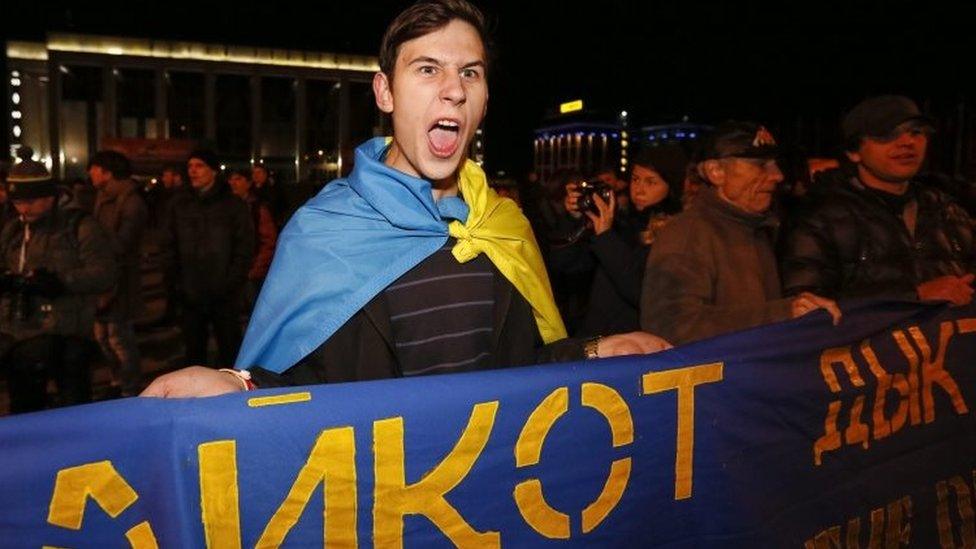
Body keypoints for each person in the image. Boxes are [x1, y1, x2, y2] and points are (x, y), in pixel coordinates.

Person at [143, 0, 669, 398]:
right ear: (385, 92)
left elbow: (522, 367)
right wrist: (237, 386)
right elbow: (298, 385)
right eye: (427, 69)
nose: (454, 90)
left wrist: (595, 351)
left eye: (470, 72)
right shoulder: (325, 229)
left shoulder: (502, 225)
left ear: (483, 100)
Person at [641, 121, 841, 346]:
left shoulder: (755, 228)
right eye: (761, 165)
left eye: (775, 164)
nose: (777, 175)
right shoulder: (688, 234)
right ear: (716, 172)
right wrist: (783, 313)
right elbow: (670, 327)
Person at [781, 95, 976, 304]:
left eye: (916, 132)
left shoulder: (948, 209)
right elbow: (806, 307)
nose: (907, 142)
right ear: (854, 152)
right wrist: (913, 295)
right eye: (887, 135)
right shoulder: (819, 218)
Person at [0, 155, 115, 412]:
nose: (23, 209)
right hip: (21, 336)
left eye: (30, 201)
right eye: (17, 202)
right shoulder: (14, 229)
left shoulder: (79, 225)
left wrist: (59, 282)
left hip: (69, 334)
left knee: (73, 408)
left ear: (49, 197)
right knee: (25, 409)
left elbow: (105, 272)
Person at [563, 150, 681, 337]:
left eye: (651, 182)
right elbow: (566, 265)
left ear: (671, 186)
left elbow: (641, 292)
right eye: (635, 179)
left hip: (636, 348)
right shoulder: (622, 222)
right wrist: (574, 219)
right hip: (598, 340)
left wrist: (605, 237)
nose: (639, 189)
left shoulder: (678, 232)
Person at [159, 150, 254, 367]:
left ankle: (234, 397)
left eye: (199, 165)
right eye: (190, 165)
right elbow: (167, 246)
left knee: (231, 351)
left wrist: (231, 283)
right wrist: (175, 284)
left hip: (224, 294)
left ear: (213, 170)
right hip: (189, 293)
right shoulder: (178, 204)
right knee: (194, 354)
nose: (192, 170)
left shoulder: (233, 205)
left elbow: (244, 248)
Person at [88, 150, 148, 396]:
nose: (89, 174)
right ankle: (116, 380)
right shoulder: (102, 197)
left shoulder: (132, 202)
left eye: (93, 168)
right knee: (102, 336)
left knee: (119, 338)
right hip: (102, 278)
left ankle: (130, 387)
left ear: (107, 172)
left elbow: (124, 244)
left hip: (120, 280)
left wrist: (93, 240)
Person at [227, 168, 278, 312]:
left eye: (238, 179)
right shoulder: (226, 207)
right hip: (232, 273)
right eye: (231, 179)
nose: (233, 183)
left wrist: (255, 270)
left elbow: (268, 241)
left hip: (250, 272)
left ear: (248, 183)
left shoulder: (257, 208)